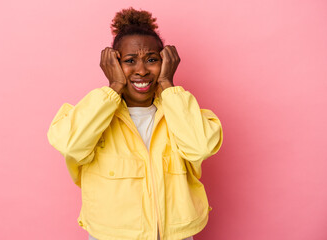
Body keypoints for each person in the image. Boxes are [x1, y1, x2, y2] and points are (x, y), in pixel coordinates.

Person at [47, 7, 223, 240]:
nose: (141, 70)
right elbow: (70, 145)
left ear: (166, 63)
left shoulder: (181, 112)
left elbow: (201, 147)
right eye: (130, 61)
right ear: (113, 64)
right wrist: (114, 87)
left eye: (152, 60)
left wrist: (168, 85)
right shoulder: (93, 115)